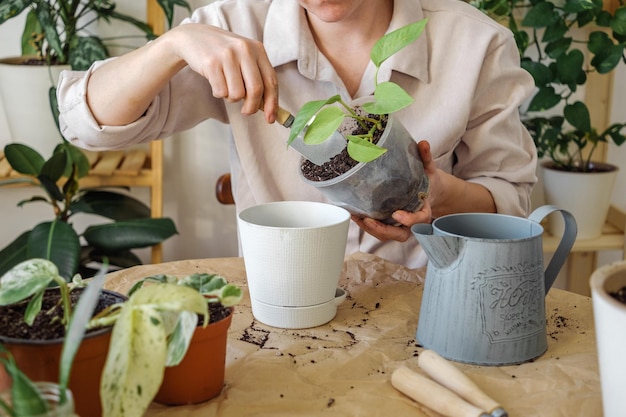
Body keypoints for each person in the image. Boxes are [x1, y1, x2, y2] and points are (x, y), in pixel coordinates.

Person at [57, 0, 537, 269]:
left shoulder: (474, 43)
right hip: (281, 316)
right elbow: (86, 125)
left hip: (424, 312)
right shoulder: (235, 26)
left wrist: (440, 194)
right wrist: (173, 46)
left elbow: (511, 197)